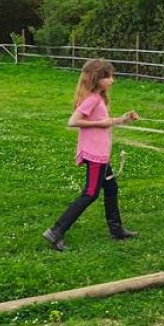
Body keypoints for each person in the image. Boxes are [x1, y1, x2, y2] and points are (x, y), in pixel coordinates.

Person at [43, 59, 140, 251]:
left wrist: (124, 119)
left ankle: (116, 229)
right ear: (97, 78)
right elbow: (73, 122)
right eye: (108, 76)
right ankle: (56, 231)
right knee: (90, 193)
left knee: (111, 188)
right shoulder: (92, 99)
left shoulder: (98, 98)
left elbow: (105, 121)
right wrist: (100, 124)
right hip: (96, 156)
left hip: (101, 155)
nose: (112, 80)